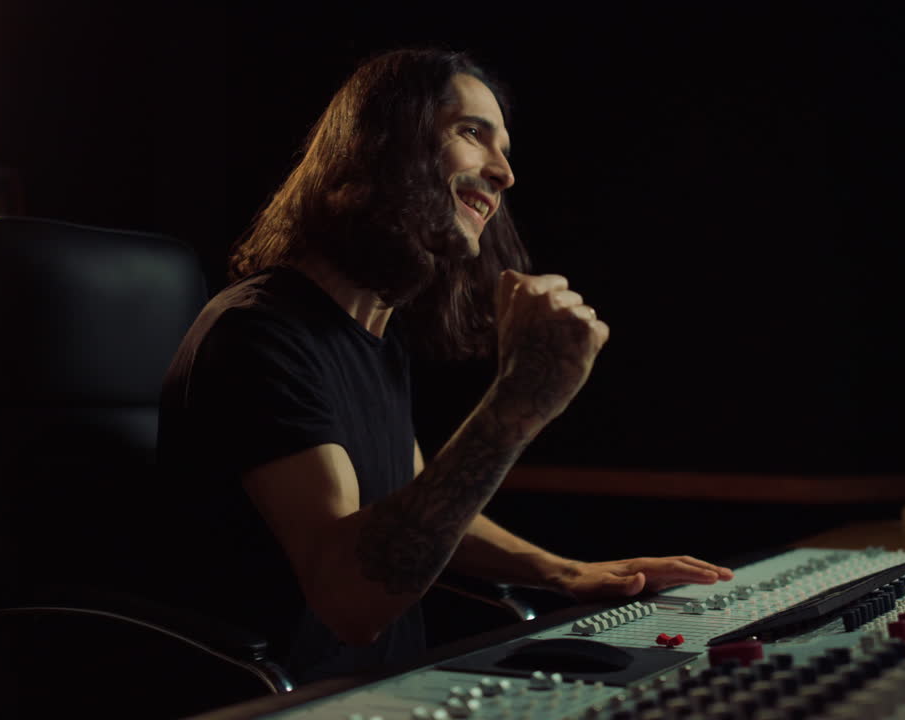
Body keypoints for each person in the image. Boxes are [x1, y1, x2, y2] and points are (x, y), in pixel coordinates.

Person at [156, 48, 734, 685]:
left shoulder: (375, 334)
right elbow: (351, 600)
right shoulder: (258, 333)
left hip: (386, 687)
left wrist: (567, 572)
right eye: (472, 132)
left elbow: (426, 513)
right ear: (380, 147)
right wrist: (521, 401)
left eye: (504, 144)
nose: (505, 173)